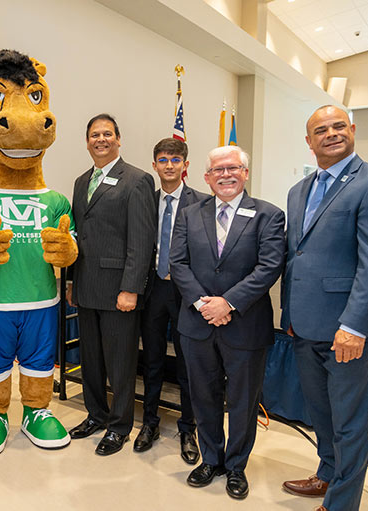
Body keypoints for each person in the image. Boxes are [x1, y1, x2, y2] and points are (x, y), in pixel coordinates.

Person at [280, 105, 368, 511]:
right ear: (309, 140)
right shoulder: (299, 190)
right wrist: (289, 316)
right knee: (323, 415)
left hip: (348, 332)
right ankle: (327, 474)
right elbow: (295, 257)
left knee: (351, 423)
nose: (330, 134)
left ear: (352, 130)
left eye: (338, 126)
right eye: (320, 129)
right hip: (305, 325)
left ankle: (341, 503)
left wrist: (354, 326)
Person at [169, 145, 285, 500]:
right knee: (203, 396)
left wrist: (228, 303)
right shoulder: (189, 214)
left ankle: (236, 466)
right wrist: (205, 304)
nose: (225, 175)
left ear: (245, 173)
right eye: (217, 170)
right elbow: (177, 262)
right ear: (206, 177)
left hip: (245, 325)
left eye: (233, 168)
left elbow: (269, 267)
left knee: (242, 401)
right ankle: (211, 459)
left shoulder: (268, 215)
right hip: (197, 323)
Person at [67, 113, 156, 456]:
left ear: (119, 139)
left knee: (119, 363)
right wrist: (73, 282)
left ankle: (119, 426)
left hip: (120, 289)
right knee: (90, 359)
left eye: (107, 134)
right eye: (93, 135)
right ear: (87, 141)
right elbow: (79, 236)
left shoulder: (136, 180)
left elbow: (141, 240)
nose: (100, 139)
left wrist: (131, 287)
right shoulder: (79, 182)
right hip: (87, 286)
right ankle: (96, 414)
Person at [135, 138, 208, 463]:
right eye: (162, 159)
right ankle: (149, 423)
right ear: (154, 165)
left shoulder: (202, 203)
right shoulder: (145, 201)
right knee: (151, 362)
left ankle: (188, 428)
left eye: (175, 160)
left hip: (186, 293)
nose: (168, 165)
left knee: (188, 364)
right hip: (153, 292)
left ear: (185, 165)